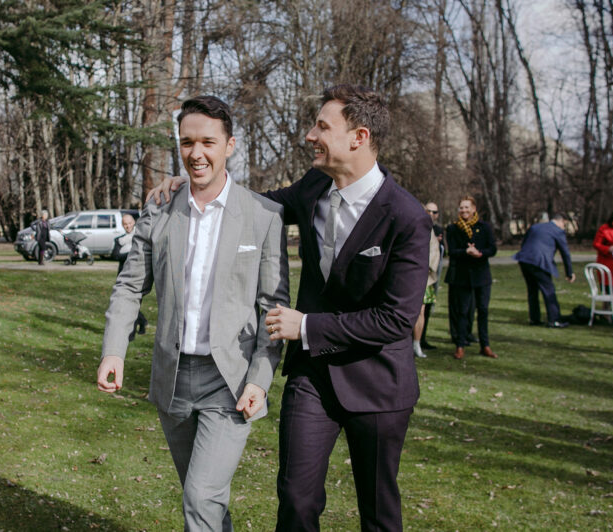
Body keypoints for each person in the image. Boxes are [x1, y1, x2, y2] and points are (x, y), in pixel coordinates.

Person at [152, 84, 431, 531]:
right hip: (312, 378)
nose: (309, 135)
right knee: (297, 501)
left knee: (378, 511)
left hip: (379, 385)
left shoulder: (407, 217)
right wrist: (193, 184)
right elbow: (249, 208)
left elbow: (396, 319)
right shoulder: (314, 187)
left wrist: (308, 326)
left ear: (358, 137)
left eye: (322, 126)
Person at [97, 96, 290, 531]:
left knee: (201, 497)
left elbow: (271, 309)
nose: (196, 154)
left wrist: (260, 378)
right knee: (202, 499)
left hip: (231, 381)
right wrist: (114, 351)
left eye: (207, 142)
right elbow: (130, 285)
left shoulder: (263, 216)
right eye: (187, 143)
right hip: (174, 377)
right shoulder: (161, 207)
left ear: (230, 145)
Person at [445, 196, 497, 359]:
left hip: (481, 275)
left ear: (474, 209)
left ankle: (485, 345)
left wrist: (479, 253)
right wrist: (465, 252)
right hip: (462, 276)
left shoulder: (484, 227)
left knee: (483, 310)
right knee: (463, 312)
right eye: (461, 207)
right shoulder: (453, 229)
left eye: (467, 207)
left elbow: (492, 249)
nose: (464, 210)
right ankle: (460, 345)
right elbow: (451, 252)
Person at [513, 214, 576, 328]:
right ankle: (554, 319)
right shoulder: (558, 231)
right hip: (539, 262)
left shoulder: (535, 227)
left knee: (532, 290)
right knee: (548, 290)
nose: (564, 227)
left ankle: (534, 318)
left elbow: (525, 243)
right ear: (561, 221)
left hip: (524, 259)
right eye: (564, 225)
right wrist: (569, 273)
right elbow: (565, 253)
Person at [114, 213, 148, 341]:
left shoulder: (139, 237)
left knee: (131, 304)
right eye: (125, 224)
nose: (128, 226)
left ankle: (131, 333)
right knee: (125, 303)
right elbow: (116, 255)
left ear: (134, 222)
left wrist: (127, 253)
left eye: (129, 223)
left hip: (137, 275)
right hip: (122, 275)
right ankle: (142, 321)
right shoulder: (119, 240)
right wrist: (129, 253)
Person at [420, 201, 444, 350]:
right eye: (428, 211)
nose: (431, 214)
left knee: (426, 309)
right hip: (420, 275)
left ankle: (421, 339)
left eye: (434, 212)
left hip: (430, 275)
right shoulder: (419, 226)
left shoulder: (438, 229)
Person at [413, 229, 441, 358]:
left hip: (421, 275)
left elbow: (434, 250)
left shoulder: (426, 228)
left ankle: (416, 343)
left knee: (420, 312)